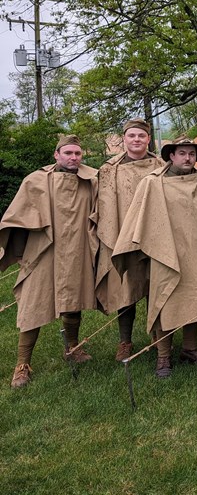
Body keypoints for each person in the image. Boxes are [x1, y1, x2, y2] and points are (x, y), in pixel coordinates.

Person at [112, 138, 197, 379]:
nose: (188, 158)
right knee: (165, 304)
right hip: (165, 256)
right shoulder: (152, 184)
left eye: (192, 154)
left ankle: (190, 349)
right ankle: (163, 356)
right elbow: (139, 221)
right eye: (182, 153)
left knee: (195, 300)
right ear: (171, 156)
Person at [0, 135, 98, 389]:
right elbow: (17, 217)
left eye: (77, 153)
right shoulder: (35, 181)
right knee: (33, 305)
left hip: (77, 249)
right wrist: (19, 250)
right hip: (43, 251)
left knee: (73, 300)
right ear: (57, 155)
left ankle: (73, 348)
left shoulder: (93, 180)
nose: (73, 157)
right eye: (68, 153)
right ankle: (22, 365)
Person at [95, 118, 164, 361]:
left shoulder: (162, 166)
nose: (136, 140)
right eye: (131, 136)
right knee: (126, 290)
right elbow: (103, 206)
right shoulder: (108, 170)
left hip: (155, 236)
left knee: (157, 287)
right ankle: (125, 341)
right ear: (124, 139)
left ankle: (159, 336)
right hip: (122, 236)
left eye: (141, 136)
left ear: (148, 139)